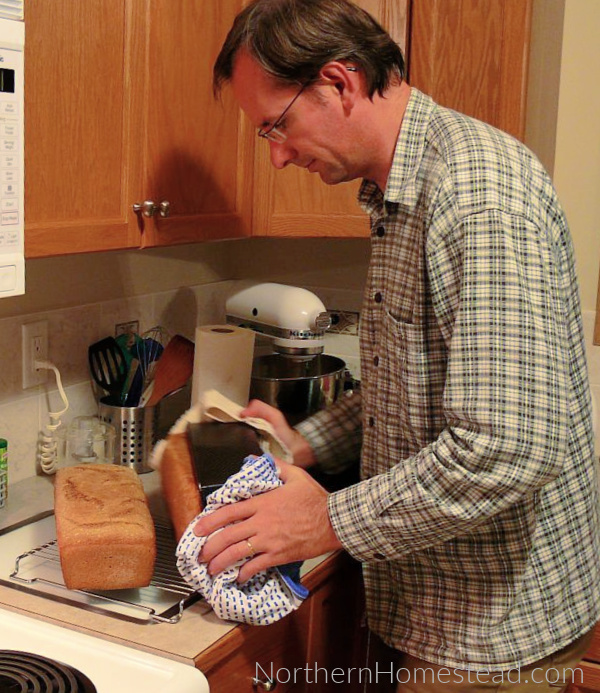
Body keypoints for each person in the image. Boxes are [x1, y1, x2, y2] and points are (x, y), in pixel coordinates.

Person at [194, 0, 600, 690]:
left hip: (491, 631)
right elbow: (407, 380)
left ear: (340, 82)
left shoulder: (477, 194)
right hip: (441, 605)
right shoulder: (397, 193)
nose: (277, 155)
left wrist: (325, 519)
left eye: (277, 124)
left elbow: (508, 449)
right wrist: (306, 442)